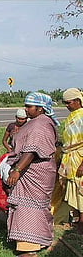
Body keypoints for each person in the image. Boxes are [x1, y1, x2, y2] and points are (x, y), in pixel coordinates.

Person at [6, 92, 58, 257]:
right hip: (37, 170)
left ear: (41, 109)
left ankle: (29, 248)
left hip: (34, 172)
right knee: (39, 207)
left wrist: (17, 170)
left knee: (29, 208)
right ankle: (43, 240)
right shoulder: (39, 122)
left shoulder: (40, 125)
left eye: (29, 106)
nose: (26, 109)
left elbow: (31, 151)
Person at [56, 87, 83, 234]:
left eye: (68, 102)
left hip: (79, 159)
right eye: (65, 103)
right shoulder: (72, 116)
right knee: (71, 191)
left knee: (81, 192)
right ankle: (75, 219)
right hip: (70, 159)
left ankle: (81, 226)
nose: (66, 105)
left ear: (77, 101)